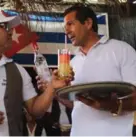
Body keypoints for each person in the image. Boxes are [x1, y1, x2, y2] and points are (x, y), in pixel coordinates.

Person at [37, 4, 136, 136]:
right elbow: (77, 104)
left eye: (70, 24)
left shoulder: (121, 50)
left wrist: (108, 105)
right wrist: (54, 92)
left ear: (88, 23)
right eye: (65, 27)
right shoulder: (73, 62)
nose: (66, 31)